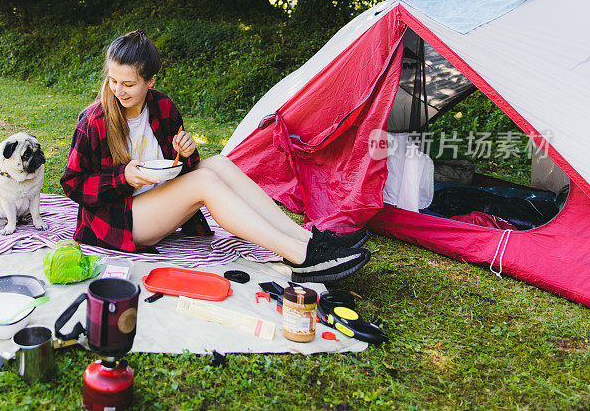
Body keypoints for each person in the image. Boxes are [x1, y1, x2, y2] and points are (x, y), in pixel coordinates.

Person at [60, 29, 371, 283]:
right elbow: (73, 184)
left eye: (128, 83)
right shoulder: (94, 120)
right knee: (205, 184)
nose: (118, 90)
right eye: (112, 80)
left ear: (150, 81)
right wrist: (122, 177)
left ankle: (308, 241)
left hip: (156, 203)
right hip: (118, 219)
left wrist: (188, 153)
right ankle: (300, 258)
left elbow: (182, 170)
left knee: (218, 164)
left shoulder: (162, 107)